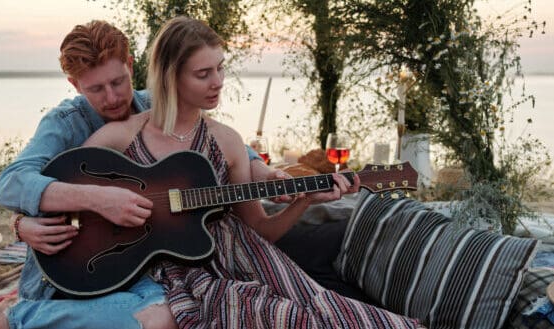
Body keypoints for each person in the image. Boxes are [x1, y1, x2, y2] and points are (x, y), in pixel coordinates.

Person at [0, 19, 349, 329]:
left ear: (131, 65)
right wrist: (74, 207)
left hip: (147, 260)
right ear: (74, 84)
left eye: (118, 81)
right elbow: (12, 182)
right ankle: (18, 319)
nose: (112, 98)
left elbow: (214, 142)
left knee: (177, 312)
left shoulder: (154, 104)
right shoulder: (67, 123)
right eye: (96, 89)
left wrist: (262, 169)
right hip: (83, 260)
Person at [80, 16, 422, 328]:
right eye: (203, 74)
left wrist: (302, 202)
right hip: (166, 272)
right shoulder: (121, 136)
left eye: (220, 68)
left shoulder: (227, 142)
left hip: (245, 264)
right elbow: (67, 189)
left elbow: (261, 230)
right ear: (171, 75)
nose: (218, 82)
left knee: (320, 316)